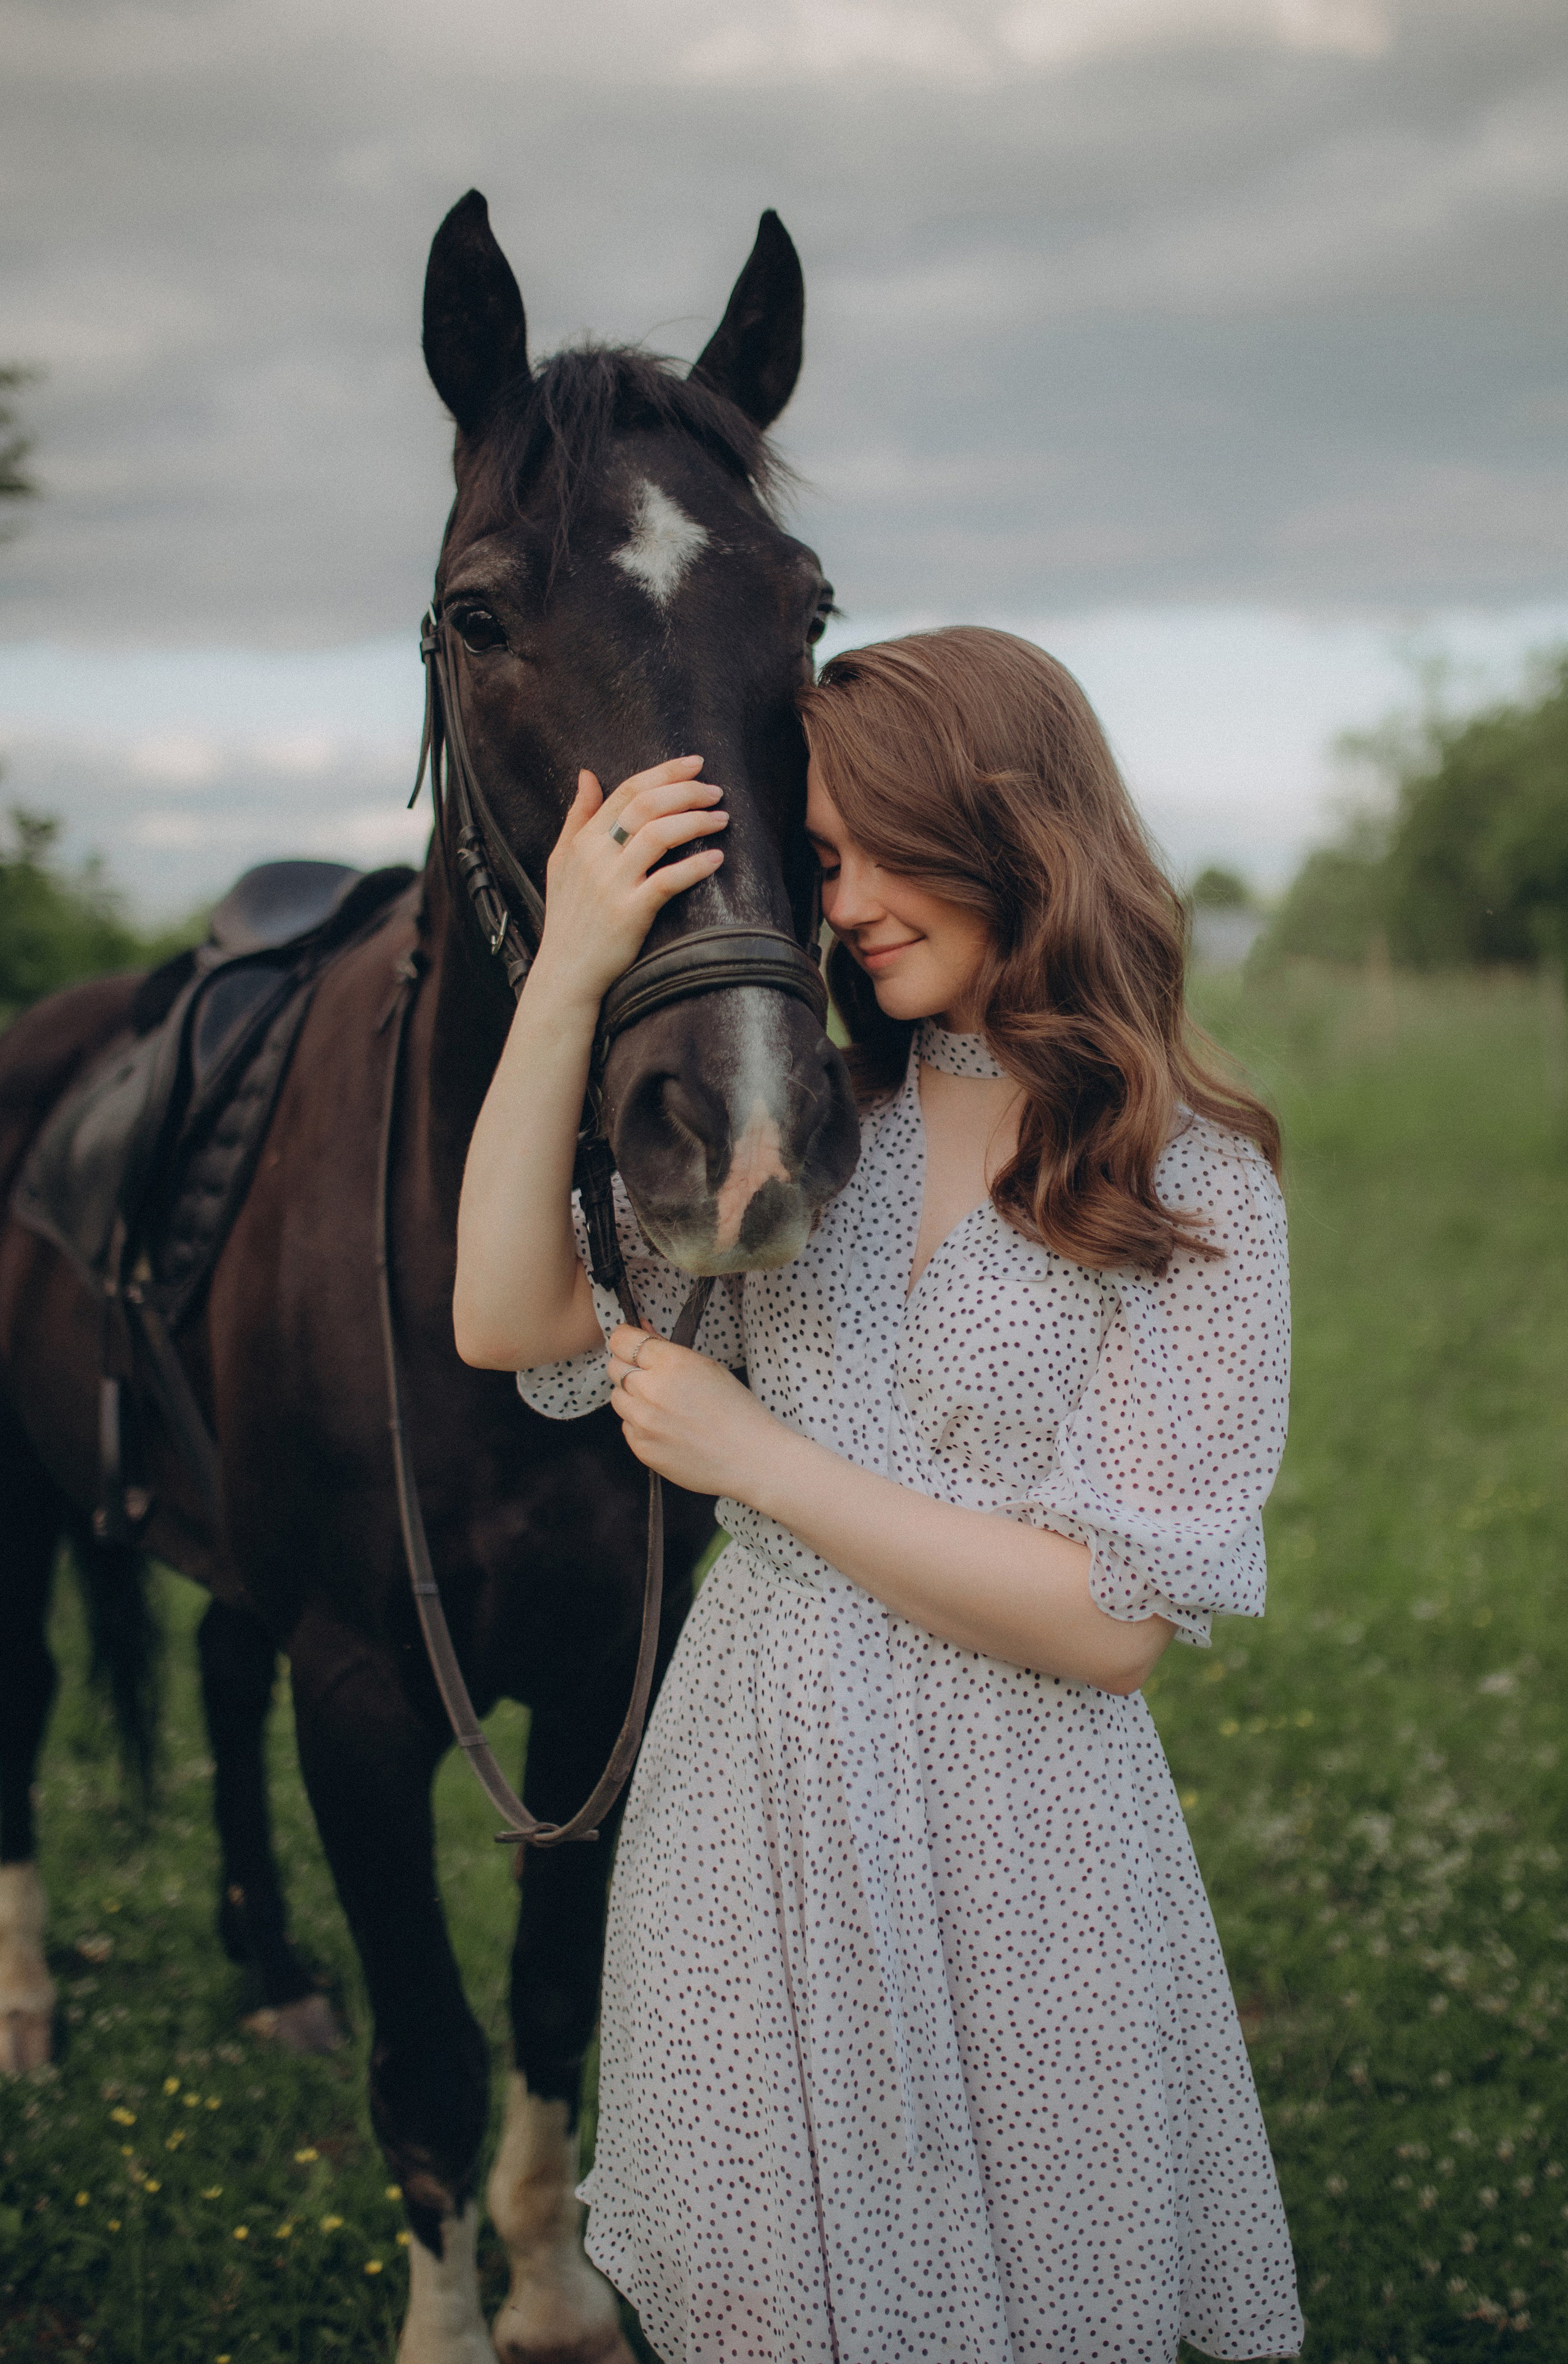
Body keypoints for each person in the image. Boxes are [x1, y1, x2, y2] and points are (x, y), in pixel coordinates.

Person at [455, 627, 1304, 2364]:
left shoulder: (1192, 1179)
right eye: (818, 861)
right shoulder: (813, 1133)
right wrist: (568, 977)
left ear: (1010, 826)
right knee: (761, 2302)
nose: (839, 907)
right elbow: (505, 1316)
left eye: (874, 852)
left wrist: (765, 1463)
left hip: (1026, 1831)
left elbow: (1108, 1626)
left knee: (1042, 2294)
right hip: (744, 1797)